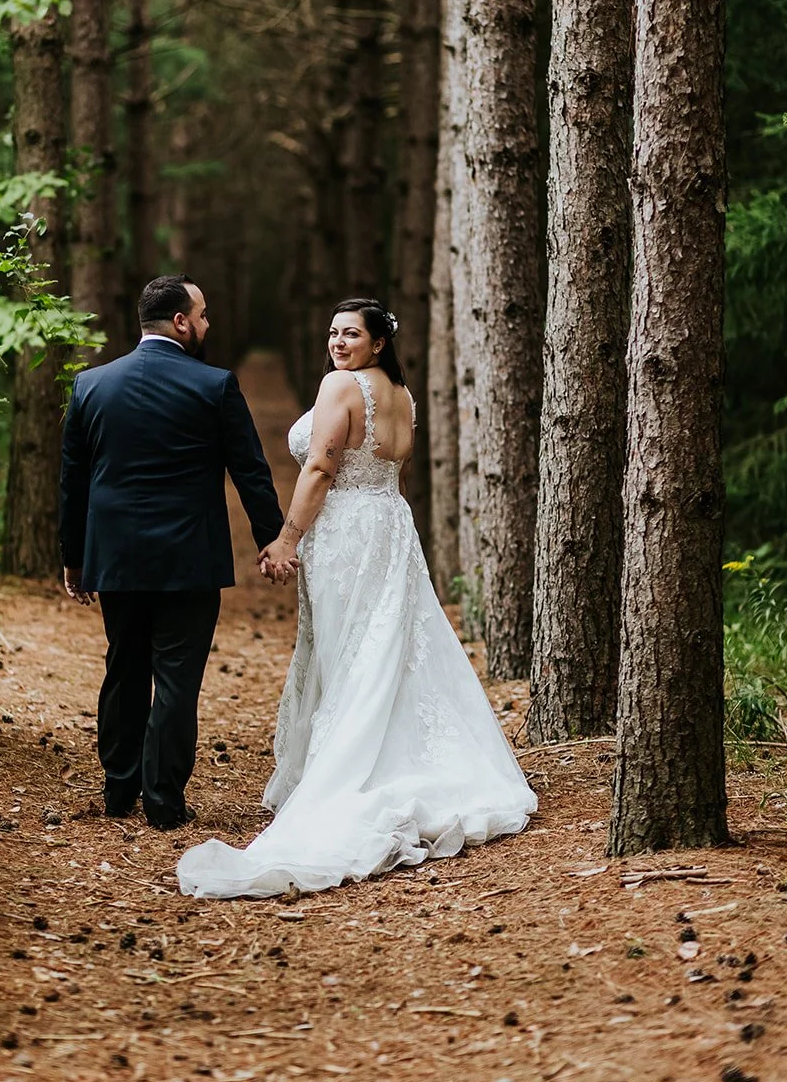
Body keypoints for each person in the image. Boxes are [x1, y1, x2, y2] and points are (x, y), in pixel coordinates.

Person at [177, 297, 537, 897]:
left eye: (351, 334)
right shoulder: (403, 397)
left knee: (352, 650)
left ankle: (348, 771)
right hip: (391, 523)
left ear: (378, 343)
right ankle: (409, 757)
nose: (337, 342)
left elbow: (320, 466)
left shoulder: (340, 387)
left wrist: (287, 539)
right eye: (333, 331)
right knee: (390, 641)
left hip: (346, 530)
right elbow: (392, 464)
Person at [59, 275, 284, 830]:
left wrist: (74, 556)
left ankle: (117, 789)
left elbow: (74, 482)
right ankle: (162, 800)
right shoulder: (214, 385)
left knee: (124, 665)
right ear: (181, 321)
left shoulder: (91, 385)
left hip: (115, 557)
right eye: (202, 315)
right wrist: (273, 538)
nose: (207, 324)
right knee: (177, 678)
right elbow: (250, 470)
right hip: (189, 558)